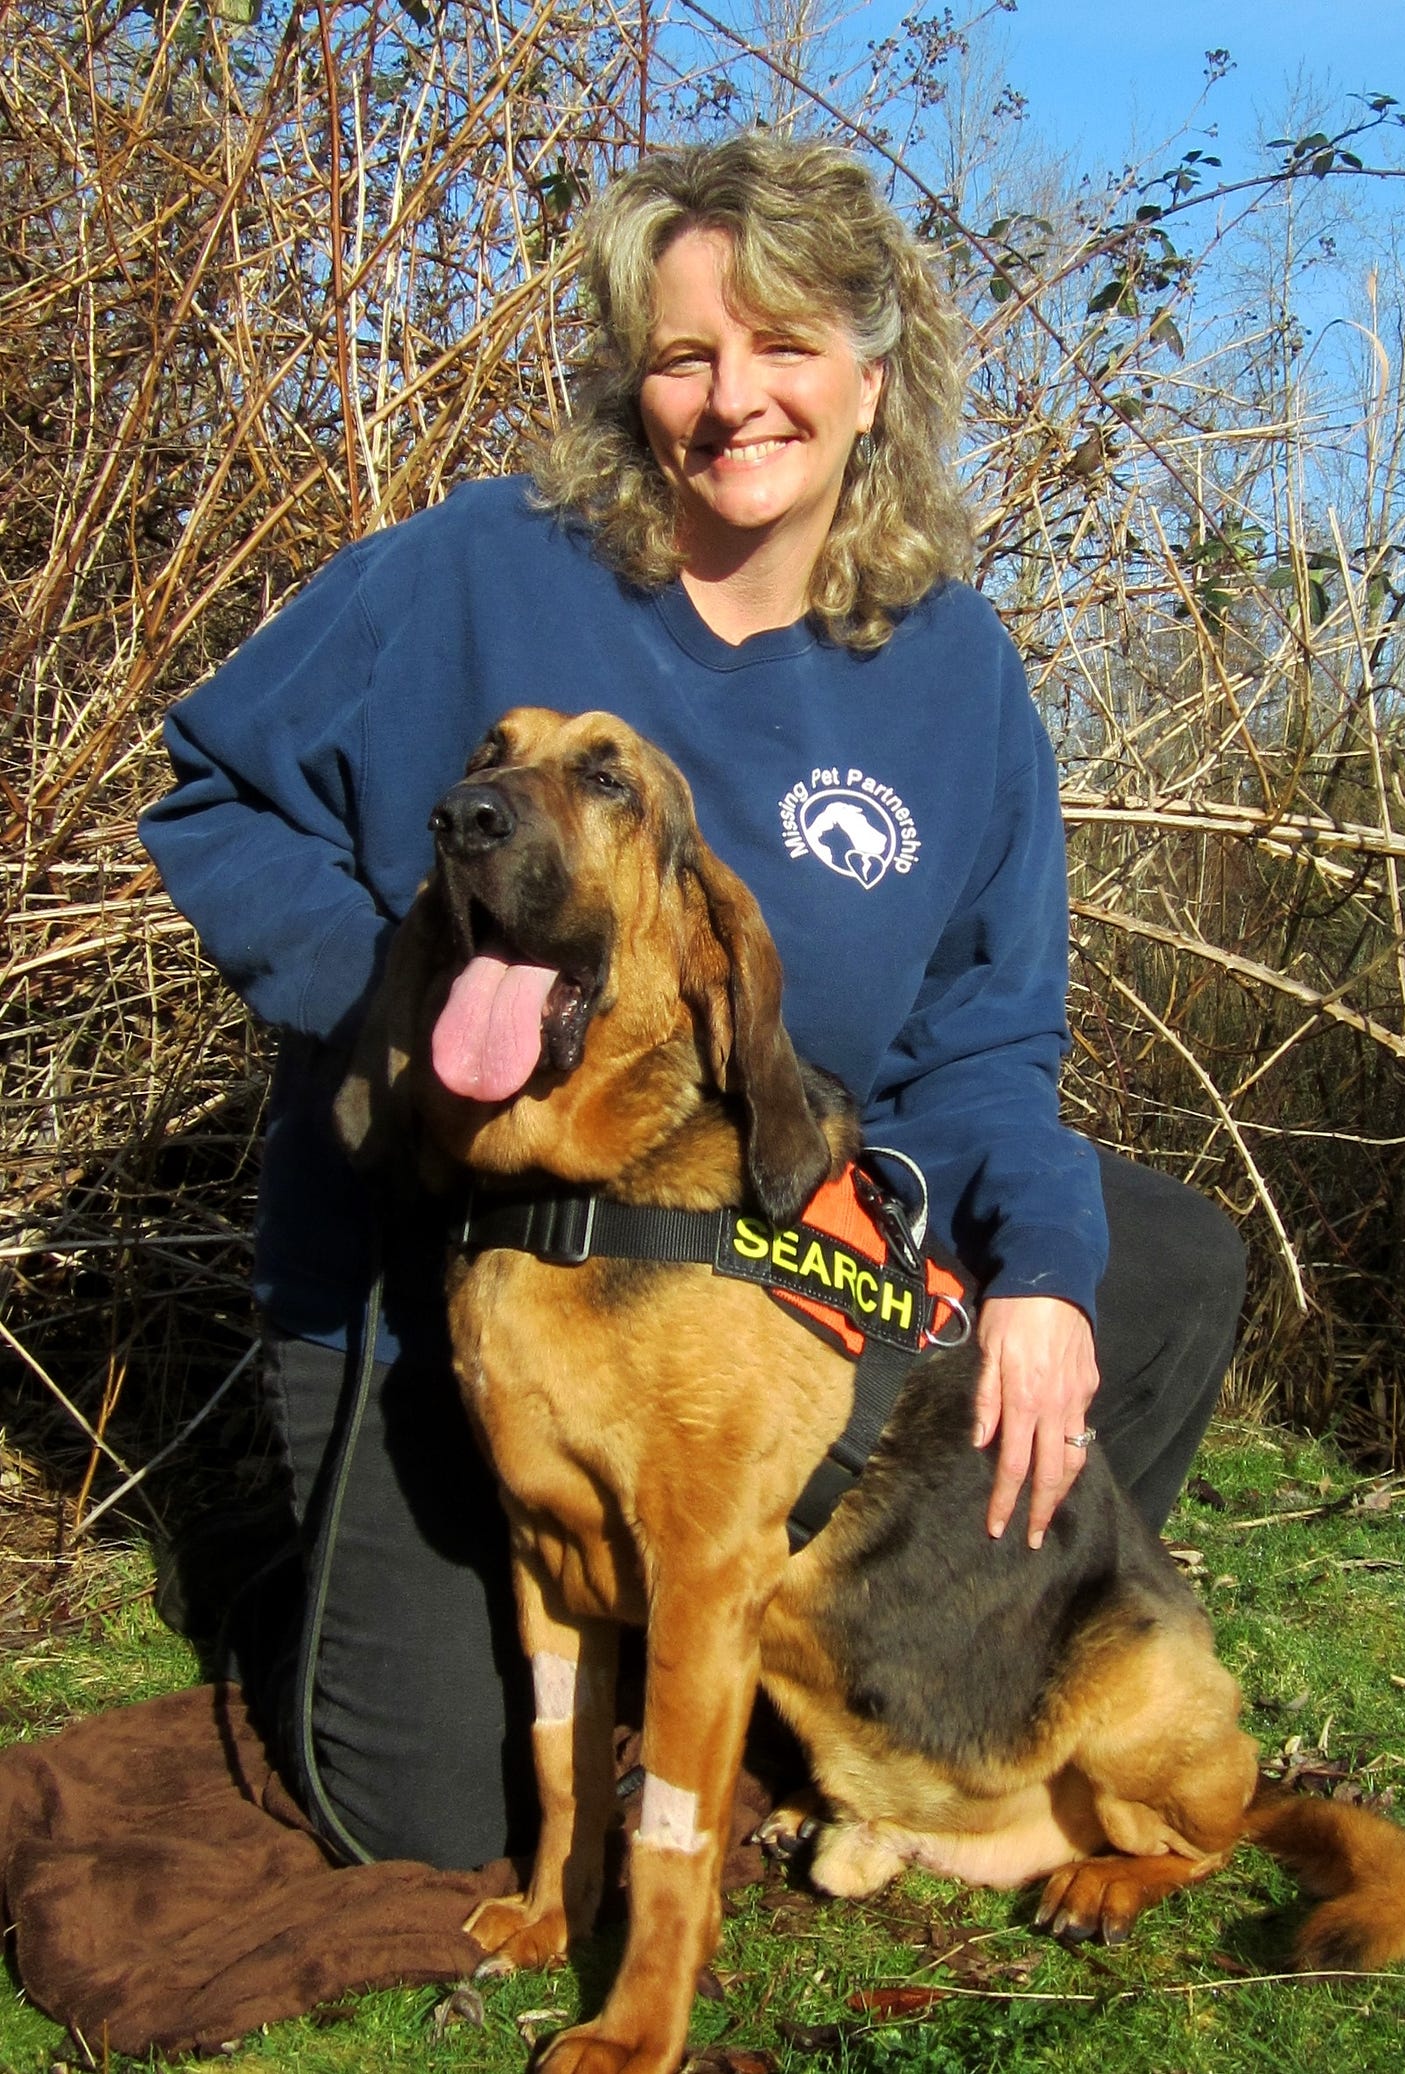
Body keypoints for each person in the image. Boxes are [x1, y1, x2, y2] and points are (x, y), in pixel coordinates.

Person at [139, 133, 1246, 1873]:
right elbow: (212, 789)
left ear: (875, 378)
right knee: (434, 1823)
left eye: (788, 344)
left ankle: (883, 1662)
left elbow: (984, 1040)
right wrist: (390, 1006)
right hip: (449, 1282)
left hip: (753, 1246)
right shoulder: (475, 569)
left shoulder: (955, 676)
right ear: (629, 378)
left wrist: (1036, 1280)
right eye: (684, 353)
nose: (737, 399)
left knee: (1154, 1263)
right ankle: (486, 1612)